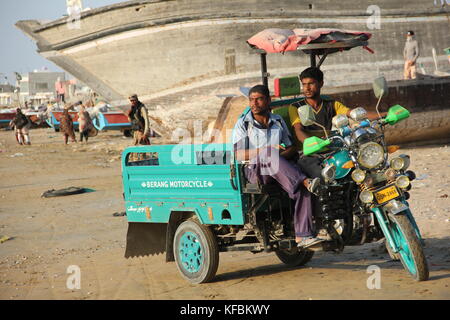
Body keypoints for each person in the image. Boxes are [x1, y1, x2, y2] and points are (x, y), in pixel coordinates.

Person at [232, 84, 322, 248]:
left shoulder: (278, 120)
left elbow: (290, 147)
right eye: (251, 100)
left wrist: (278, 155)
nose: (254, 103)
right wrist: (266, 151)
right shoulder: (243, 124)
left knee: (303, 190)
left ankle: (303, 236)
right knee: (267, 154)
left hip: (278, 168)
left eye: (258, 99)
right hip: (254, 172)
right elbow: (238, 154)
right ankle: (304, 180)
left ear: (268, 100)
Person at [287, 67, 384, 179]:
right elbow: (298, 130)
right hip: (309, 154)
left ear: (321, 83)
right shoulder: (296, 107)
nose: (307, 88)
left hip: (333, 149)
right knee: (324, 178)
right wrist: (310, 143)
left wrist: (383, 115)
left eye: (311, 83)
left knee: (363, 165)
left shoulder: (331, 104)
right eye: (304, 84)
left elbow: (353, 113)